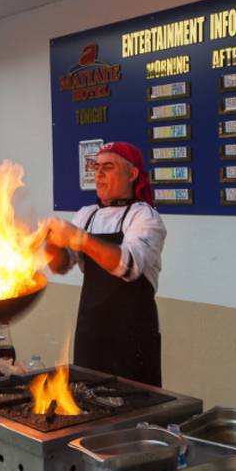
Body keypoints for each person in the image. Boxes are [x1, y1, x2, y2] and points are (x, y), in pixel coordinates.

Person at [44, 141, 167, 387]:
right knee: (86, 399)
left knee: (134, 403)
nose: (98, 174)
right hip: (91, 333)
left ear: (132, 174)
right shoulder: (86, 214)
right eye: (96, 167)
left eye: (108, 167)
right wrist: (51, 241)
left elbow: (127, 266)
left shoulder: (145, 217)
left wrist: (80, 238)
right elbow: (61, 265)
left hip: (132, 338)